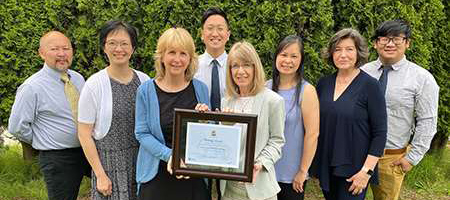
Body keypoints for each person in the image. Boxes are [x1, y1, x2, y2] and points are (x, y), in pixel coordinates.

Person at [361, 20, 440, 200]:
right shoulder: (362, 72)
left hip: (391, 158)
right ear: (375, 43)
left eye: (396, 39)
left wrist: (411, 158)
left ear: (407, 43)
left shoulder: (422, 78)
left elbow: (427, 121)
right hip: (358, 153)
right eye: (384, 39)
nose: (389, 44)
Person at [8, 31, 90, 200]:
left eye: (66, 48)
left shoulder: (78, 78)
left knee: (107, 189)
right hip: (57, 158)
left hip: (88, 150)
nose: (62, 53)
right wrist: (42, 140)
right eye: (54, 49)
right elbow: (17, 127)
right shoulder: (32, 87)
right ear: (42, 53)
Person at [310, 28, 387, 200]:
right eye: (337, 49)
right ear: (331, 54)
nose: (343, 55)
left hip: (355, 171)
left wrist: (366, 172)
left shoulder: (370, 86)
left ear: (358, 52)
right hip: (328, 165)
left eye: (349, 49)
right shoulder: (323, 84)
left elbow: (380, 134)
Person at [134, 27, 210, 200]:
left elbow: (210, 132)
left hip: (193, 176)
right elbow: (142, 133)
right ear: (161, 56)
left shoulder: (200, 89)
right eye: (171, 52)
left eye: (183, 53)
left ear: (190, 58)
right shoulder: (145, 91)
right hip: (157, 174)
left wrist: (206, 121)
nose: (177, 59)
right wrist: (170, 156)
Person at [77, 21, 150, 200]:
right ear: (104, 47)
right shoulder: (94, 85)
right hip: (109, 166)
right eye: (112, 43)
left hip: (140, 161)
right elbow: (84, 134)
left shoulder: (145, 81)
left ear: (132, 48)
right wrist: (100, 175)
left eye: (124, 43)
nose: (119, 49)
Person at [219, 41, 285, 200]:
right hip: (229, 187)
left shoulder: (273, 101)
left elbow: (277, 141)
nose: (240, 71)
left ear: (255, 67)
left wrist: (261, 163)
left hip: (259, 187)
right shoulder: (226, 101)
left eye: (246, 65)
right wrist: (224, 125)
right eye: (235, 66)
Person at [267, 35, 319, 200]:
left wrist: (303, 171)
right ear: (276, 56)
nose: (287, 60)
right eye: (283, 54)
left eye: (294, 56)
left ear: (301, 60)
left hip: (292, 174)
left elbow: (312, 134)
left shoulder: (307, 91)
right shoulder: (264, 88)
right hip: (264, 170)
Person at [194, 7, 231, 111]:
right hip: (200, 124)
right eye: (210, 28)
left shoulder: (236, 66)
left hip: (231, 124)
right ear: (202, 34)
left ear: (228, 35)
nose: (215, 34)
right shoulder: (192, 66)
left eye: (220, 29)